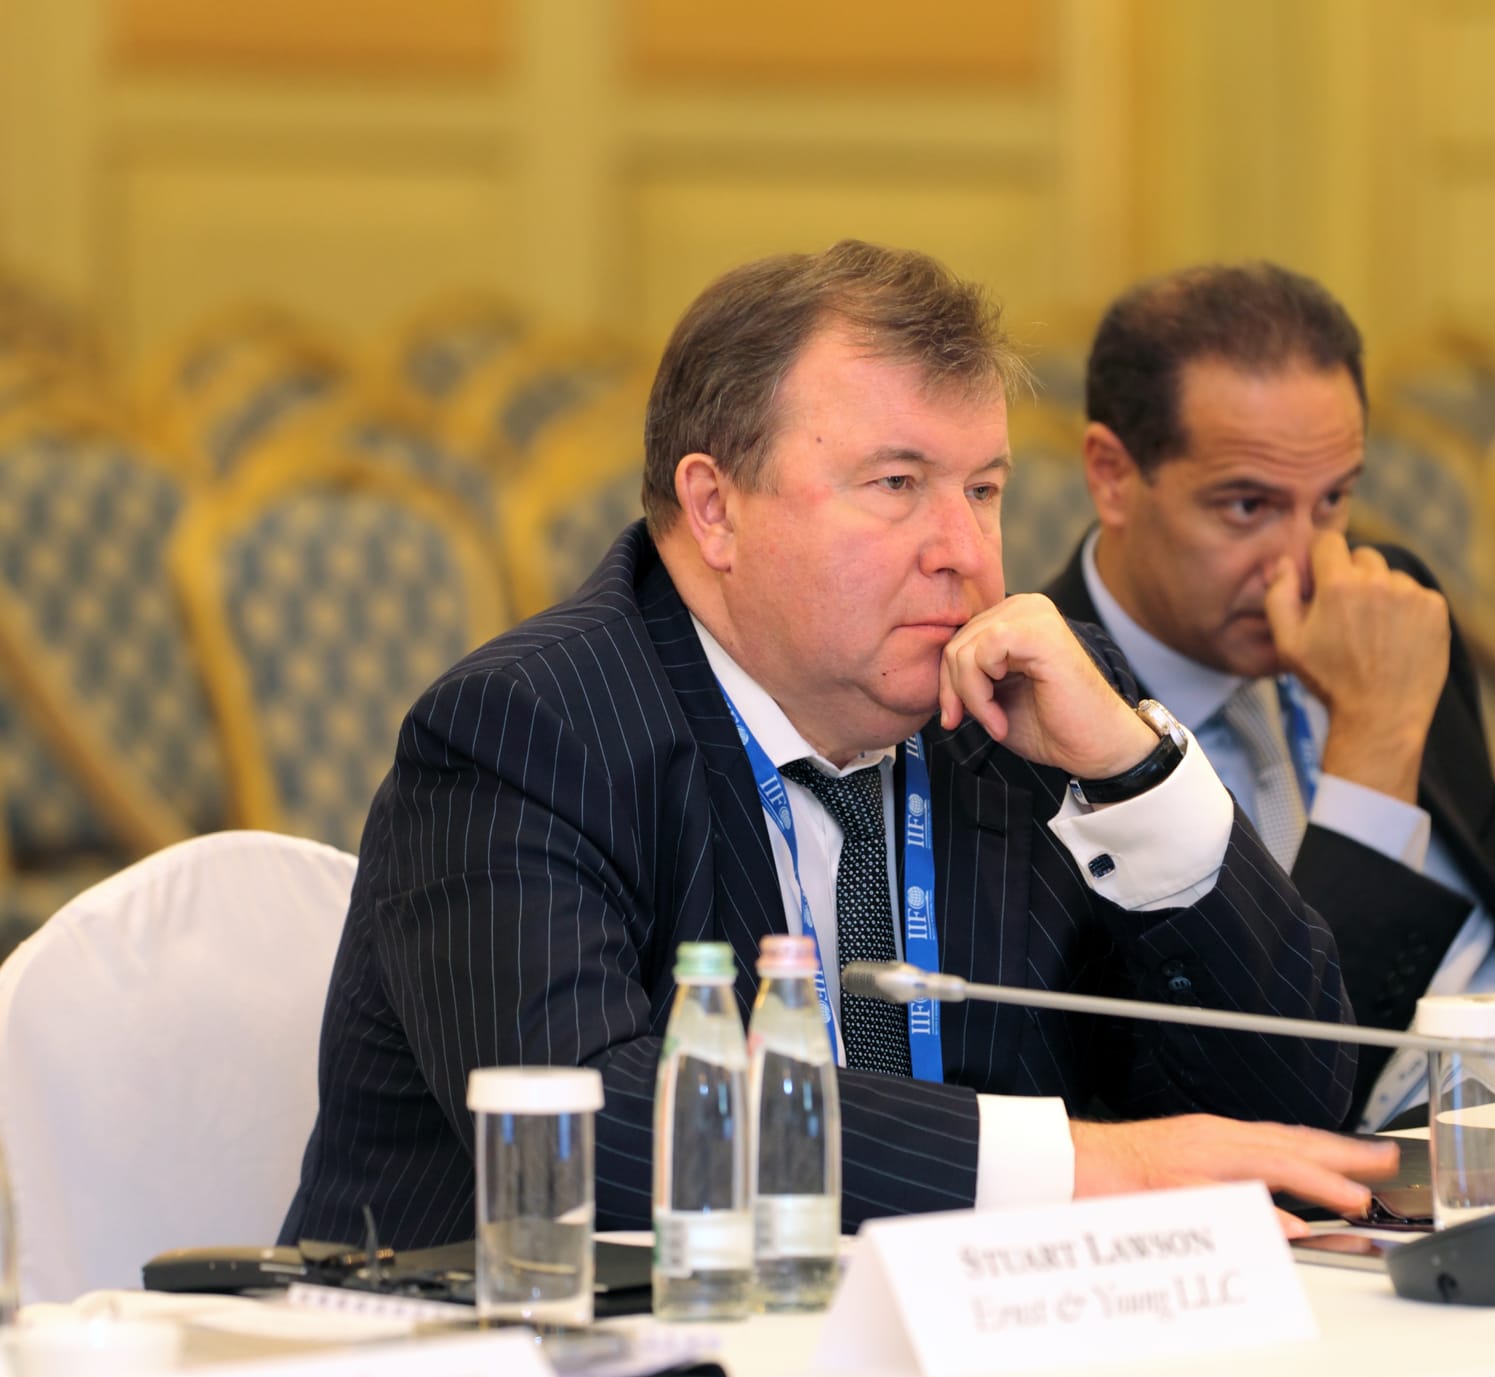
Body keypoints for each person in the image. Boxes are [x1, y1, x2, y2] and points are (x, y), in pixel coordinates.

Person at [281, 241, 1396, 1252]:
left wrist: (1135, 777)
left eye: (984, 490)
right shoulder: (525, 730)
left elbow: (1295, 1114)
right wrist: (1075, 1167)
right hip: (521, 1371)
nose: (964, 552)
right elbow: (587, 1129)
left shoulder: (1026, 710)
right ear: (714, 509)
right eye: (897, 485)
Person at [1042, 263, 1495, 1132]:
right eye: (1247, 506)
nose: (1302, 564)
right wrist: (1373, 750)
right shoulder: (1041, 715)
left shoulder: (1390, 605)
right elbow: (1286, 1100)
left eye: (1332, 501)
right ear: (1113, 475)